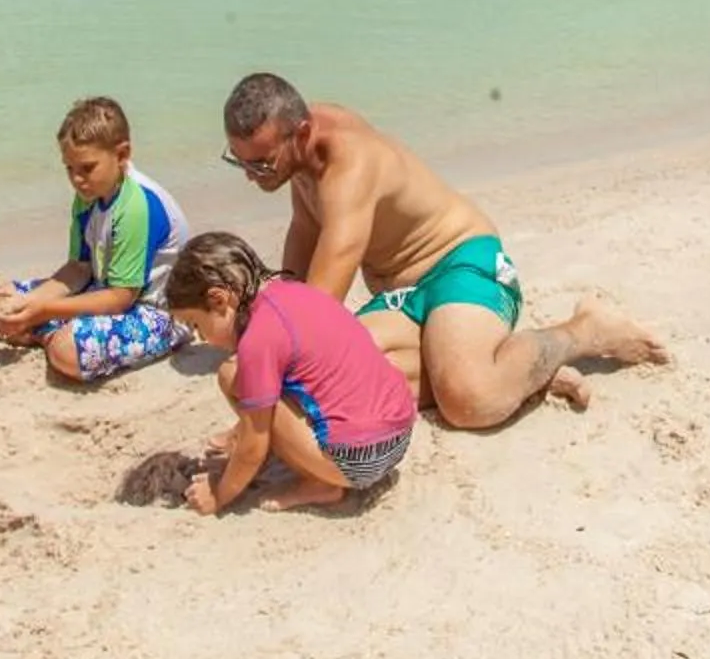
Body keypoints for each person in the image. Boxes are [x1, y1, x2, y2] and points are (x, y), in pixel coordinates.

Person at [216, 73, 665, 430]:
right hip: (405, 295)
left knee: (468, 401)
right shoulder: (299, 148)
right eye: (239, 161)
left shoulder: (349, 167)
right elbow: (305, 227)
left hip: (464, 263)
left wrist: (259, 363)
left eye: (261, 163)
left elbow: (314, 316)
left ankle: (583, 331)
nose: (251, 177)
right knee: (359, 383)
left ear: (303, 131)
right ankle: (521, 371)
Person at [165, 231, 414, 514]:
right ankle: (306, 460)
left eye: (197, 325)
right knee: (268, 380)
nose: (201, 339)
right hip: (400, 434)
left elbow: (253, 447)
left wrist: (218, 496)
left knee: (231, 375)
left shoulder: (258, 339)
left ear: (220, 300)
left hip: (358, 461)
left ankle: (321, 483)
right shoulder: (295, 292)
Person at [0, 95, 190, 383]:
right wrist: (30, 303)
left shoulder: (136, 206)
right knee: (4, 298)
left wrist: (41, 310)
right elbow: (78, 269)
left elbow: (120, 298)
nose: (77, 179)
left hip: (156, 313)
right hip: (103, 289)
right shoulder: (89, 196)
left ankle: (43, 331)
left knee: (68, 350)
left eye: (87, 168)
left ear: (122, 155)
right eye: (70, 169)